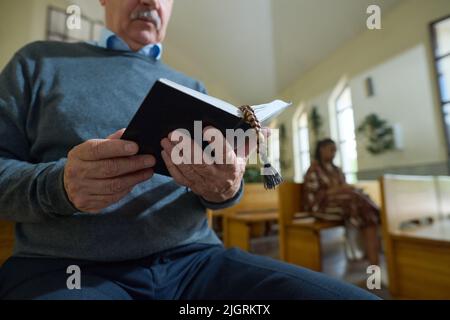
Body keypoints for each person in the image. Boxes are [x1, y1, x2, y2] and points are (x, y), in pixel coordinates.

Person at [0, 0, 378, 300]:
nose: (149, 1)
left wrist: (227, 189)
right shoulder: (38, 62)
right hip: (68, 270)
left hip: (197, 265)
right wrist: (60, 185)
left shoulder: (191, 86)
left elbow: (221, 188)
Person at [303, 138, 381, 265]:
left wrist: (346, 189)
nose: (334, 153)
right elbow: (313, 196)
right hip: (320, 208)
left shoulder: (336, 169)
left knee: (360, 200)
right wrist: (339, 189)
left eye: (335, 150)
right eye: (331, 150)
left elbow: (343, 189)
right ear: (321, 150)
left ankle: (370, 258)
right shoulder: (314, 169)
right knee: (359, 204)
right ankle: (372, 261)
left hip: (342, 205)